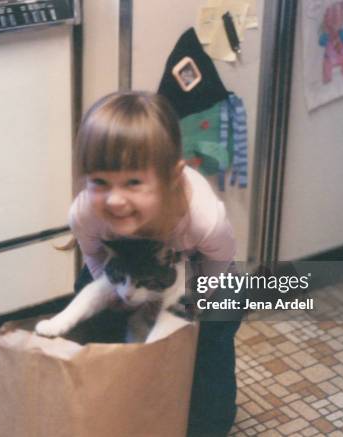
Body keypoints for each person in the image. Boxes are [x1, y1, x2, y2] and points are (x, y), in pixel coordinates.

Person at [69, 90, 240, 437]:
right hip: (123, 268)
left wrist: (192, 304)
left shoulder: (202, 217)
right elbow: (93, 254)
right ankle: (111, 401)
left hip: (203, 273)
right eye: (100, 182)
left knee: (211, 340)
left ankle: (207, 420)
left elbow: (220, 258)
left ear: (173, 178)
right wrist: (113, 289)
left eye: (133, 182)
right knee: (93, 314)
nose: (115, 200)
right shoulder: (86, 212)